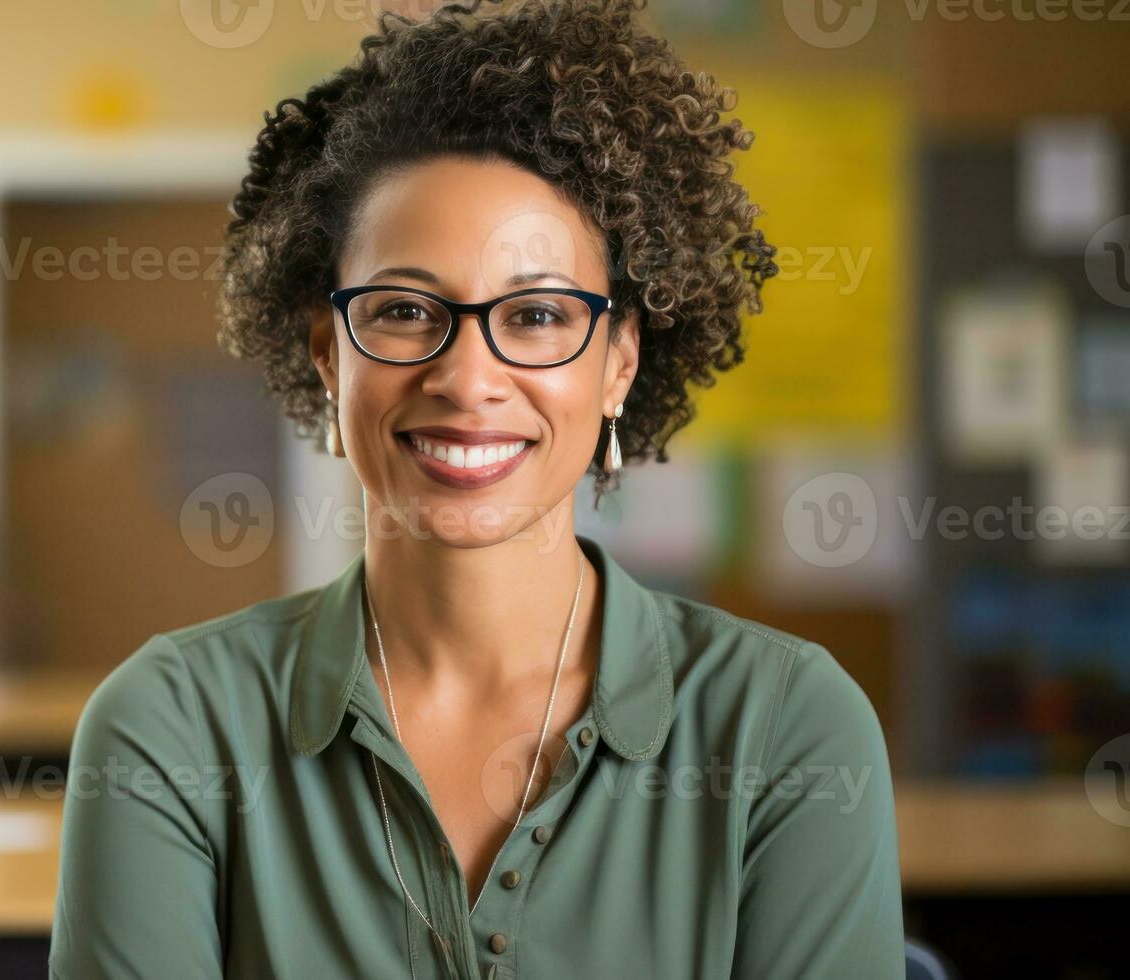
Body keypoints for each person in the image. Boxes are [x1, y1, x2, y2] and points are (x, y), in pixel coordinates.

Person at [49, 3, 903, 978]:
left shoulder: (786, 729)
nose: (466, 376)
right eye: (405, 310)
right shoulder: (169, 727)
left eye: (536, 314)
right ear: (329, 356)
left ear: (618, 363)